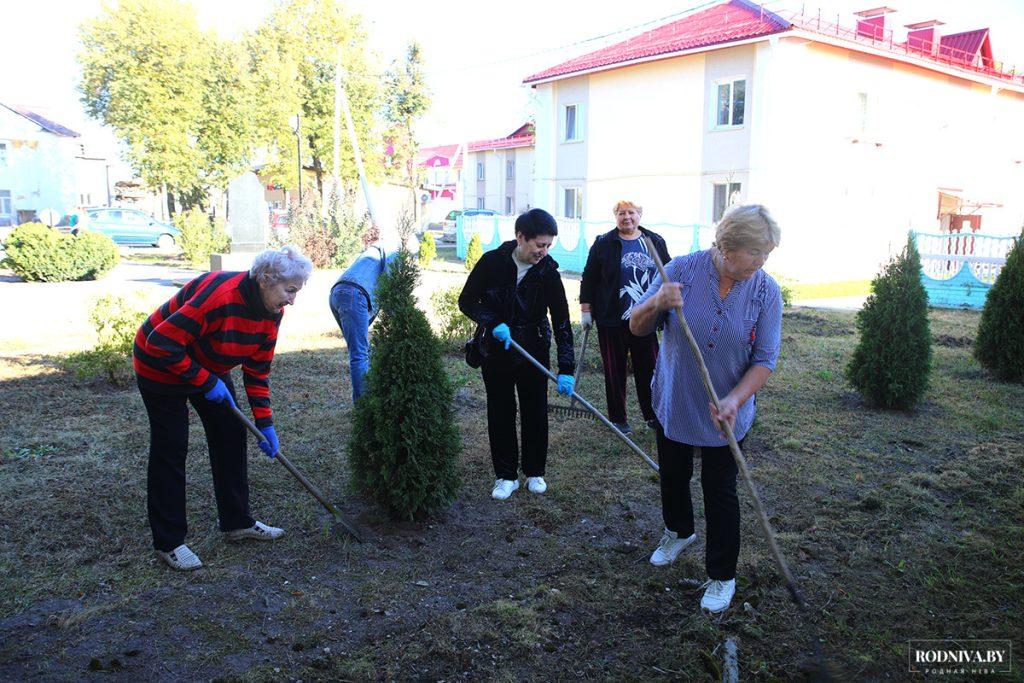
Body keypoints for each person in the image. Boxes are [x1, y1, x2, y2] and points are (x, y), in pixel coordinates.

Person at [629, 205, 782, 613]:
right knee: (674, 476)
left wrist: (736, 398)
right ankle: (679, 532)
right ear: (727, 246)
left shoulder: (765, 290)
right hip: (677, 398)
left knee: (720, 491)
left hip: (727, 411)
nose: (761, 262)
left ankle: (721, 575)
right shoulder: (681, 269)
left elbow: (765, 358)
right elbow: (636, 326)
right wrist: (656, 303)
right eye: (755, 253)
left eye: (767, 254)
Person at [134, 245, 313, 571]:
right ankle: (169, 542)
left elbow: (257, 370)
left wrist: (266, 423)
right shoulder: (221, 296)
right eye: (290, 290)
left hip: (206, 366)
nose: (292, 300)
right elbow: (161, 342)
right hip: (159, 364)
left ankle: (237, 522)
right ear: (266, 280)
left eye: (296, 292)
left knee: (231, 433)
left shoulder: (272, 313)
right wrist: (205, 381)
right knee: (171, 446)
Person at [459, 208, 576, 500]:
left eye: (549, 245)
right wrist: (492, 321)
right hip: (496, 350)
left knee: (535, 412)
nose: (544, 251)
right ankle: (506, 476)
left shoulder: (547, 272)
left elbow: (562, 320)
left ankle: (535, 472)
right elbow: (467, 300)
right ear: (520, 237)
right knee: (501, 412)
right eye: (539, 245)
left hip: (533, 349)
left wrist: (567, 368)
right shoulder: (492, 263)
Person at [580, 200, 670, 435]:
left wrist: (667, 308)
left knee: (649, 369)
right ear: (615, 217)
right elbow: (589, 277)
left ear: (640, 214)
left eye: (632, 212)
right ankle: (618, 419)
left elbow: (668, 272)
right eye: (621, 213)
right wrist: (586, 310)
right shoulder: (604, 243)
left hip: (646, 316)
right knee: (614, 369)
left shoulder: (654, 241)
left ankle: (652, 415)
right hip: (612, 318)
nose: (627, 217)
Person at [328, 226, 401, 403]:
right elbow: (390, 282)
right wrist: (398, 316)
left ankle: (365, 397)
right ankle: (363, 407)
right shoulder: (390, 246)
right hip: (354, 295)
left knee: (359, 351)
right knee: (360, 353)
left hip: (337, 294)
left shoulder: (370, 251)